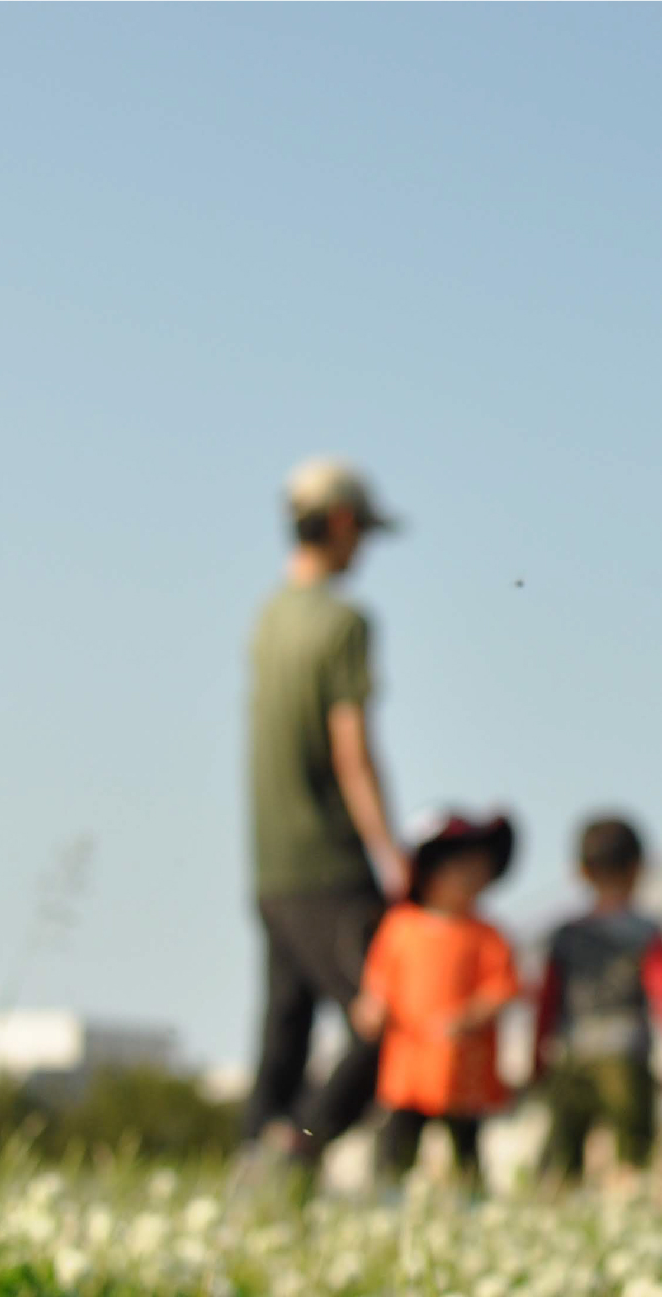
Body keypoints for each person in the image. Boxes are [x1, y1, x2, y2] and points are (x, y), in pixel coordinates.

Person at [241, 456, 406, 1187]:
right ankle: (297, 1150)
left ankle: (254, 1162)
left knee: (285, 1026)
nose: (362, 548)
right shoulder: (344, 622)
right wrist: (390, 852)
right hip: (329, 861)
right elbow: (352, 751)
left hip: (269, 865)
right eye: (361, 532)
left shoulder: (268, 617)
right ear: (340, 525)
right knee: (387, 1017)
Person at [351, 809, 522, 1193]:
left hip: (463, 1070)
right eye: (464, 868)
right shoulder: (400, 927)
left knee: (466, 1146)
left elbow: (503, 987)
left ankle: (472, 1199)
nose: (474, 878)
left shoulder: (487, 935)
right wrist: (372, 1008)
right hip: (409, 1068)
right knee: (397, 1142)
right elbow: (378, 983)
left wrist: (468, 1017)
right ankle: (386, 1197)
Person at [532, 814, 662, 1184]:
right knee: (634, 1151)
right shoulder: (647, 933)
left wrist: (536, 1057)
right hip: (626, 1052)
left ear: (580, 871)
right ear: (639, 868)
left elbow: (546, 1001)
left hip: (571, 1052)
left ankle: (556, 1199)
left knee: (563, 1154)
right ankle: (633, 1199)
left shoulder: (566, 935)